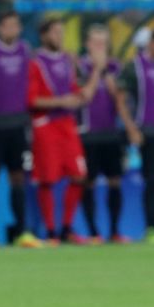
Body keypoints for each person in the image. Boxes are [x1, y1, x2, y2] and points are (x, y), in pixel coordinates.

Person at [28, 18, 102, 245]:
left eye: (62, 32)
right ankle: (51, 232)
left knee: (79, 176)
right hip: (46, 126)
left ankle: (67, 228)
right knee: (47, 179)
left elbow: (81, 95)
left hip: (67, 126)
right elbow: (32, 100)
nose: (60, 37)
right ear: (44, 35)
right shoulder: (35, 63)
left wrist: (98, 69)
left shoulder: (67, 61)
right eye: (55, 33)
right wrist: (62, 101)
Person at [0, 11, 33, 248]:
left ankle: (21, 232)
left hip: (18, 124)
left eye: (15, 25)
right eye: (7, 26)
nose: (12, 30)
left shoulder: (26, 50)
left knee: (18, 177)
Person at [78, 26, 137, 243]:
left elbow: (121, 100)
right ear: (87, 44)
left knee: (115, 181)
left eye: (103, 43)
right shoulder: (80, 67)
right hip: (87, 133)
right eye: (96, 43)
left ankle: (114, 231)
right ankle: (93, 232)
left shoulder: (116, 68)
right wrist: (96, 71)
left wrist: (109, 78)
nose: (100, 48)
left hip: (111, 133)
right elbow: (84, 96)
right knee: (88, 182)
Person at [118, 29, 154, 243]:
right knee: (153, 179)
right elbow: (121, 99)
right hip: (148, 132)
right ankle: (151, 228)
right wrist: (131, 128)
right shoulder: (136, 67)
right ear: (148, 44)